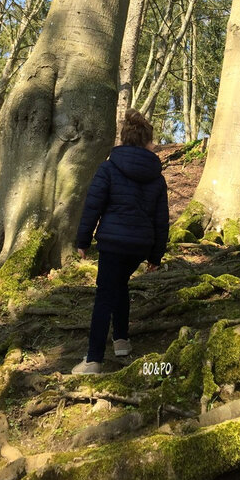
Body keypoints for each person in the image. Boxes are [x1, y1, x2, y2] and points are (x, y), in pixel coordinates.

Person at [71, 109, 169, 375]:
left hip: (113, 242)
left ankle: (93, 360)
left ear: (124, 139)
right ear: (148, 142)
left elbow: (93, 206)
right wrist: (155, 256)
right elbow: (162, 219)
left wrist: (83, 240)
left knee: (105, 294)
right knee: (120, 286)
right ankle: (122, 340)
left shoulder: (108, 167)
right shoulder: (157, 177)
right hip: (139, 245)